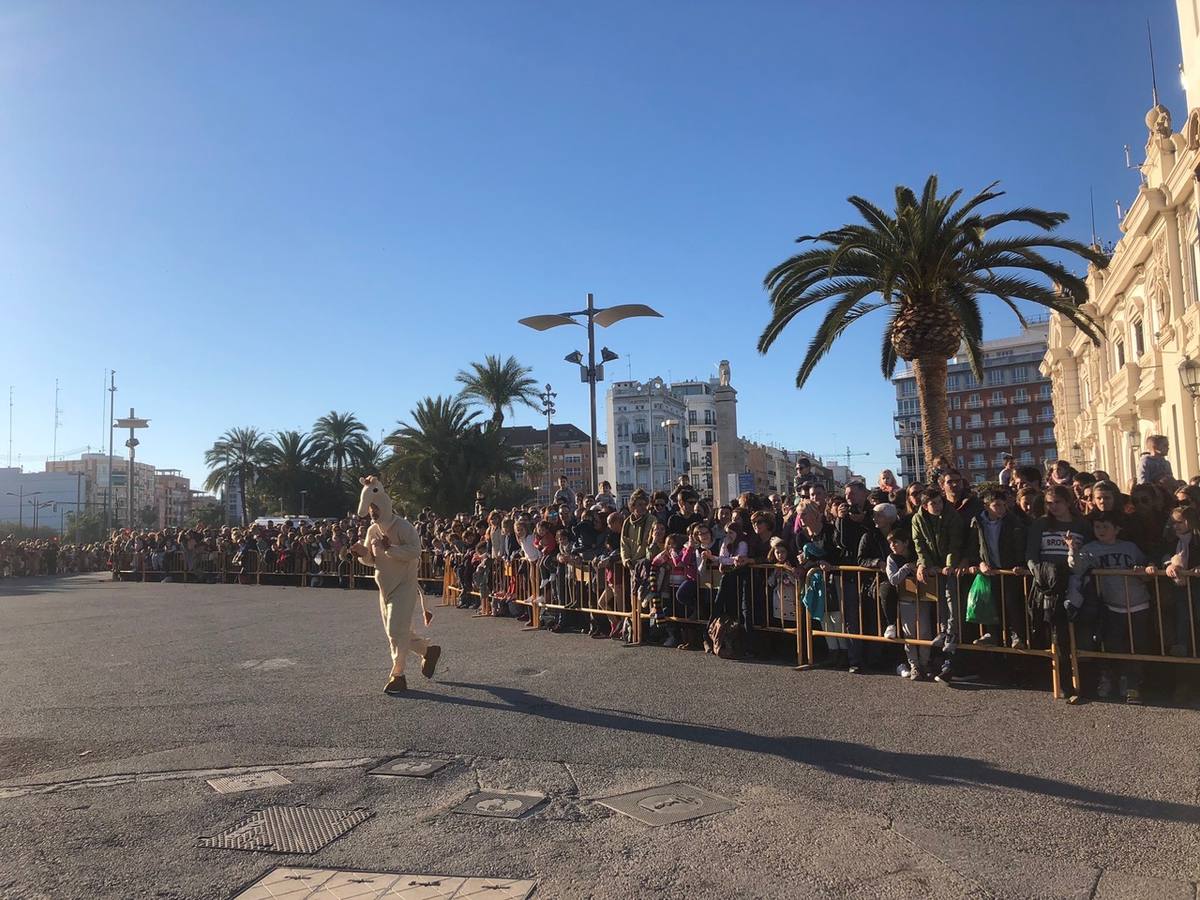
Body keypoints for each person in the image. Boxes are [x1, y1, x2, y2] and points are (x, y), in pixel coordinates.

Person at [348, 476, 439, 696]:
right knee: (398, 632)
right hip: (384, 588)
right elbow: (372, 559)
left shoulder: (403, 527)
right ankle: (428, 650)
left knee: (394, 630)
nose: (372, 512)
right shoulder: (372, 530)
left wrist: (391, 548)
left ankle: (397, 675)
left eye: (375, 507)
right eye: (370, 509)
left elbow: (415, 551)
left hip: (404, 586)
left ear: (384, 505)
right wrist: (362, 554)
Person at [1067, 511, 1152, 703]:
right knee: (1114, 644)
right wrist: (1072, 549)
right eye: (1097, 527)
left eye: (1106, 527)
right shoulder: (1091, 549)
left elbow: (1145, 567)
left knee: (1138, 644)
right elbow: (1077, 568)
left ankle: (1133, 683)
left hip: (1138, 602)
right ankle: (1116, 678)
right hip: (1112, 605)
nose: (1101, 530)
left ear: (1117, 529)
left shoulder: (1129, 547)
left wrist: (1144, 571)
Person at [912, 487, 965, 683]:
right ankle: (943, 630)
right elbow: (919, 543)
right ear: (925, 506)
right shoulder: (918, 519)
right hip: (934, 564)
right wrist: (925, 564)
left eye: (939, 502)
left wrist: (950, 565)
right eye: (933, 503)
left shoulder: (952, 516)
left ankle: (952, 633)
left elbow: (955, 542)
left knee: (952, 597)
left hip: (949, 563)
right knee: (940, 598)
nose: (937, 506)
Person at [887, 529, 931, 680]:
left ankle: (925, 663)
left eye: (896, 542)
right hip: (905, 598)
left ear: (905, 543)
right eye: (891, 543)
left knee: (925, 631)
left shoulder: (917, 555)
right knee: (909, 633)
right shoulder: (891, 558)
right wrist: (906, 568)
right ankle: (914, 665)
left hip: (924, 597)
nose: (893, 545)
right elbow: (893, 579)